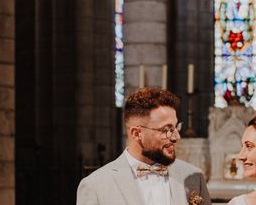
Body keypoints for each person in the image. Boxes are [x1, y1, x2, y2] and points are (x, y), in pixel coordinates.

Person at [76, 87, 211, 205]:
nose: (176, 136)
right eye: (167, 130)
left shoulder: (194, 177)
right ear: (137, 134)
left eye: (176, 127)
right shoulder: (95, 186)